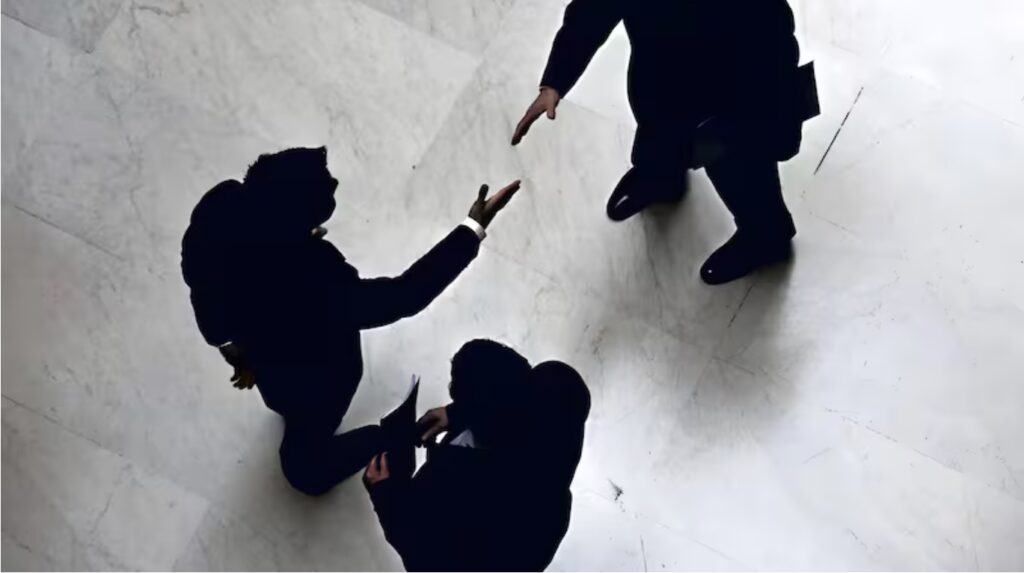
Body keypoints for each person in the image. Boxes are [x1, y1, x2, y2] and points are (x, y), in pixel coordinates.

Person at [180, 147, 520, 495]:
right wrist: (472, 229)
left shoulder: (220, 206)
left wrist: (234, 352)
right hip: (318, 381)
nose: (336, 181)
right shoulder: (316, 280)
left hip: (272, 372)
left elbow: (201, 287)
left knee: (289, 408)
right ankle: (389, 436)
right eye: (326, 185)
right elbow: (404, 295)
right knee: (304, 471)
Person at [511, 0, 807, 284]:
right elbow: (593, 9)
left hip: (733, 93)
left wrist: (768, 110)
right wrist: (555, 82)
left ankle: (766, 237)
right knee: (657, 141)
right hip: (659, 81)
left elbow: (774, 31)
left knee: (741, 174)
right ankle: (662, 181)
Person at [363, 340, 591, 572]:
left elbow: (422, 551)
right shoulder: (558, 422)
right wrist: (458, 413)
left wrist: (386, 495)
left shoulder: (447, 490)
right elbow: (531, 397)